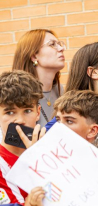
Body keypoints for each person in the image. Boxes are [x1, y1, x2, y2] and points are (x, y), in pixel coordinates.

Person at [0, 70, 47, 205]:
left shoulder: (54, 151)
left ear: (38, 113)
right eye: (9, 112)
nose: (20, 120)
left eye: (27, 111)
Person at [12, 29, 66, 126]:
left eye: (59, 44)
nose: (61, 48)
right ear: (34, 56)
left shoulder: (60, 91)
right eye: (52, 44)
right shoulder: (17, 96)